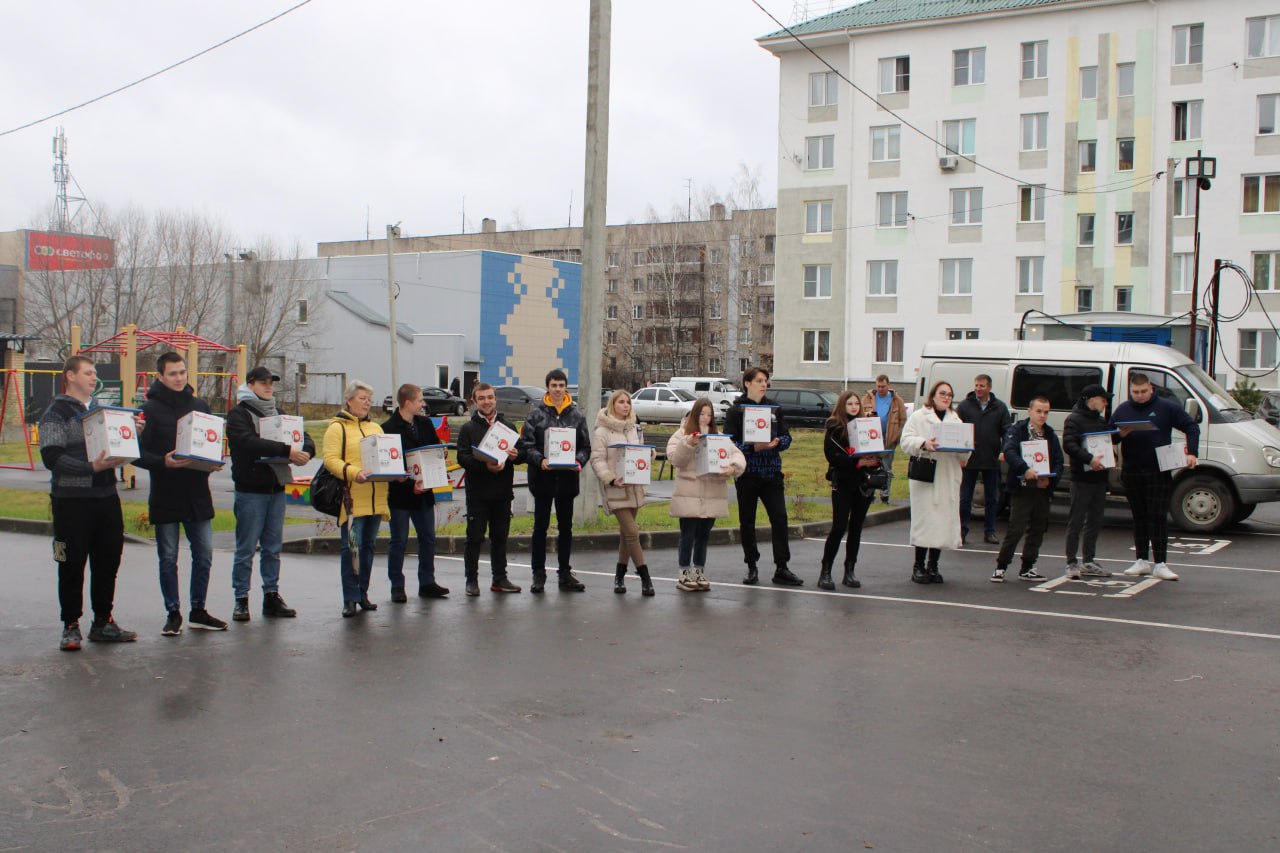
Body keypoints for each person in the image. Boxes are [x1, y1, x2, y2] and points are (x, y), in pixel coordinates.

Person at [40, 355, 140, 650]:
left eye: (95, 373)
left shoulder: (101, 411)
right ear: (70, 376)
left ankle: (103, 621)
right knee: (69, 562)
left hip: (106, 497)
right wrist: (89, 468)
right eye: (88, 372)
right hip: (69, 502)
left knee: (108, 560)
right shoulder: (55, 413)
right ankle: (70, 625)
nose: (94, 378)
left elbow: (115, 446)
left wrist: (131, 434)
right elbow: (51, 458)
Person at [135, 352, 226, 634]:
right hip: (166, 492)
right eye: (173, 373)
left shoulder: (199, 405)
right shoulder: (149, 410)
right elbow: (137, 454)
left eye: (182, 372)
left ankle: (198, 609)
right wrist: (163, 461)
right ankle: (173, 612)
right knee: (168, 557)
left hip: (197, 492)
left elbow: (210, 442)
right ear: (160, 377)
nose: (179, 378)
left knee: (204, 554)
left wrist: (212, 462)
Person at [226, 365, 313, 621]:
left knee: (272, 548)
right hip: (250, 491)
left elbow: (304, 436)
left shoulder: (280, 413)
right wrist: (287, 450)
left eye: (271, 383)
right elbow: (247, 442)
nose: (268, 386)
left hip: (276, 488)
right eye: (263, 382)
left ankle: (271, 596)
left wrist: (306, 451)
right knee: (245, 549)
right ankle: (241, 599)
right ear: (250, 384)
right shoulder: (238, 414)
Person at [1111, 372, 1200, 581]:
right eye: (1135, 392)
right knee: (1139, 516)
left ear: (1151, 389)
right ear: (1130, 391)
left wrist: (1192, 452)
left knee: (1157, 516)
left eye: (1143, 392)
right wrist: (1119, 435)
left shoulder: (1165, 407)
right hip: (1132, 470)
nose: (1140, 396)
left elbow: (1191, 426)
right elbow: (1108, 435)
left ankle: (1160, 563)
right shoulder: (1123, 409)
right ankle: (1141, 559)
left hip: (1158, 470)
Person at [725, 366, 801, 586]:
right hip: (747, 474)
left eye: (765, 380)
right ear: (747, 383)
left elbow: (787, 437)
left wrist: (778, 443)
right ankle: (751, 566)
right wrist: (752, 448)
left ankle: (782, 567)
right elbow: (730, 443)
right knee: (747, 521)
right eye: (759, 380)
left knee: (779, 518)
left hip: (771, 474)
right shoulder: (736, 411)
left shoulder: (774, 409)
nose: (763, 384)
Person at [323, 380, 391, 616]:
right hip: (352, 500)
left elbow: (385, 458)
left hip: (376, 498)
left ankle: (363, 593)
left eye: (369, 399)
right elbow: (330, 460)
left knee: (369, 547)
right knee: (351, 548)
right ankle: (349, 598)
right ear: (349, 400)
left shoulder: (376, 428)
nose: (367, 403)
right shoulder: (337, 428)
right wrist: (354, 472)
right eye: (362, 398)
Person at [519, 369, 591, 593]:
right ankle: (538, 574)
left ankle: (564, 574)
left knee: (566, 528)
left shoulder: (577, 416)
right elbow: (526, 445)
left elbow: (585, 447)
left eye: (561, 385)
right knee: (540, 527)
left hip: (567, 480)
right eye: (554, 385)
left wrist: (577, 462)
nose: (558, 389)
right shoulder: (536, 415)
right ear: (548, 388)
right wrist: (540, 460)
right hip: (543, 479)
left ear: (566, 388)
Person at [666, 399, 746, 592]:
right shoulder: (682, 434)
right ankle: (684, 572)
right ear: (694, 414)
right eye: (702, 414)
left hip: (712, 492)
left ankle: (699, 569)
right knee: (688, 534)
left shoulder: (718, 437)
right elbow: (675, 458)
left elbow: (737, 455)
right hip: (689, 493)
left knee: (703, 535)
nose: (706, 418)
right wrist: (688, 443)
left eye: (709, 415)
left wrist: (733, 467)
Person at [456, 383, 525, 595]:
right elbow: (462, 457)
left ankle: (499, 579)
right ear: (474, 401)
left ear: (496, 399)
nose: (486, 401)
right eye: (481, 398)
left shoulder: (508, 426)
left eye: (489, 397)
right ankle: (471, 580)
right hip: (477, 494)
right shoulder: (468, 428)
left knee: (500, 537)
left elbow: (521, 453)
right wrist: (484, 464)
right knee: (475, 538)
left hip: (502, 492)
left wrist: (515, 456)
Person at [381, 383, 449, 601]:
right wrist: (410, 483)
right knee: (399, 540)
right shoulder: (388, 428)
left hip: (425, 492)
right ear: (408, 403)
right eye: (420, 400)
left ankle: (427, 582)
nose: (423, 404)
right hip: (401, 495)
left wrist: (441, 453)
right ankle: (397, 585)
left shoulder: (425, 423)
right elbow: (389, 463)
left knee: (428, 538)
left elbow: (433, 448)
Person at [899, 381, 969, 583]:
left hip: (947, 476)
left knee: (942, 522)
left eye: (949, 394)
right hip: (926, 477)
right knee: (926, 521)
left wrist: (966, 449)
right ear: (933, 395)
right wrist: (924, 443)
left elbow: (963, 453)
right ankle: (918, 566)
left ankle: (933, 566)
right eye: (942, 393)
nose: (946, 397)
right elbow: (906, 441)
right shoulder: (919, 417)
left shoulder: (955, 420)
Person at [992, 396, 1063, 582]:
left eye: (1046, 412)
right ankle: (1001, 566)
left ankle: (1028, 566)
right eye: (1039, 411)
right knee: (1016, 528)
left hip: (1042, 489)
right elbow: (1009, 451)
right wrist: (1025, 469)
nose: (1042, 415)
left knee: (1038, 529)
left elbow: (1058, 461)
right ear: (1030, 411)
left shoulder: (1050, 434)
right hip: (1022, 487)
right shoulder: (1018, 430)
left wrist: (1051, 479)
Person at [590, 390, 654, 596]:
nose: (626, 406)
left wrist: (649, 454)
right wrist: (610, 477)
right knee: (633, 532)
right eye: (621, 402)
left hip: (634, 487)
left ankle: (619, 576)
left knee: (626, 535)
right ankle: (645, 577)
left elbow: (640, 452)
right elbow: (597, 459)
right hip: (616, 488)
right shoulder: (602, 431)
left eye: (628, 402)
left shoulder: (634, 428)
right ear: (612, 405)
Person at [819, 391, 883, 590]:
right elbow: (832, 456)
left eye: (857, 403)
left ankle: (850, 570)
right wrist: (856, 462)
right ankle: (826, 571)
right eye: (850, 403)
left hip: (863, 483)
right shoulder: (835, 427)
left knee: (856, 528)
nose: (854, 407)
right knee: (839, 527)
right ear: (842, 405)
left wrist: (874, 459)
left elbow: (875, 449)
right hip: (844, 482)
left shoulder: (866, 425)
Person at [1061, 384, 1115, 579]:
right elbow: (1068, 444)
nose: (1105, 402)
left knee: (1095, 520)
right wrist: (1088, 458)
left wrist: (1118, 439)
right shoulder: (1074, 420)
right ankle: (1071, 562)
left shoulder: (1101, 421)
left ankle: (1089, 560)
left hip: (1100, 478)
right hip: (1081, 478)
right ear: (1091, 399)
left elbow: (1109, 441)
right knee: (1076, 520)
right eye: (1103, 398)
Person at [956, 374, 1012, 545]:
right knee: (965, 498)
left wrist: (1004, 450)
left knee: (992, 498)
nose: (978, 389)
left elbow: (1007, 431)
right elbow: (956, 429)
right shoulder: (965, 406)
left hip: (991, 458)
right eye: (976, 385)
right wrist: (960, 453)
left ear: (989, 388)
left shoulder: (1000, 407)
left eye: (982, 386)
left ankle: (990, 531)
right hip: (969, 459)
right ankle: (962, 531)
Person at [861, 375, 906, 503]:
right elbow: (859, 416)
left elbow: (902, 420)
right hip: (871, 440)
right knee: (871, 466)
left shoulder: (897, 401)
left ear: (889, 385)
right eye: (878, 386)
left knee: (886, 468)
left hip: (888, 440)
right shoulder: (867, 399)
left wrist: (896, 437)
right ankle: (870, 494)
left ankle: (885, 495)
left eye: (883, 386)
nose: (880, 389)